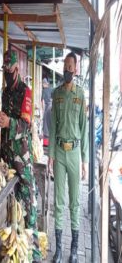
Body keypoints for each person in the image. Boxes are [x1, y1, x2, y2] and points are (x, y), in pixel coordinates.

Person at [0, 49, 41, 262]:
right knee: (10, 200)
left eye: (10, 69)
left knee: (29, 195)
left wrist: (10, 123)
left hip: (21, 155)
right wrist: (0, 119)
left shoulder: (26, 92)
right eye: (5, 69)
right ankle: (13, 246)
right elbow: (5, 118)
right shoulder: (5, 92)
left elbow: (26, 124)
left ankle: (34, 250)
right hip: (6, 152)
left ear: (17, 68)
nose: (7, 72)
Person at [48, 52, 88, 263]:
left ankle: (73, 250)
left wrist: (84, 161)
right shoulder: (56, 94)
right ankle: (58, 250)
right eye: (65, 66)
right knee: (59, 201)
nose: (67, 70)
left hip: (74, 153)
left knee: (74, 202)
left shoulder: (80, 95)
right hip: (59, 153)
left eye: (70, 66)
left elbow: (84, 128)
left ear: (76, 69)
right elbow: (53, 126)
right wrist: (51, 157)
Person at [41, 78, 53, 146]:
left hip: (47, 107)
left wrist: (43, 110)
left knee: (45, 123)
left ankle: (46, 141)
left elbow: (42, 101)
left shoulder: (44, 90)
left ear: (45, 84)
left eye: (43, 84)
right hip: (51, 106)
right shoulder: (51, 89)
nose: (43, 85)